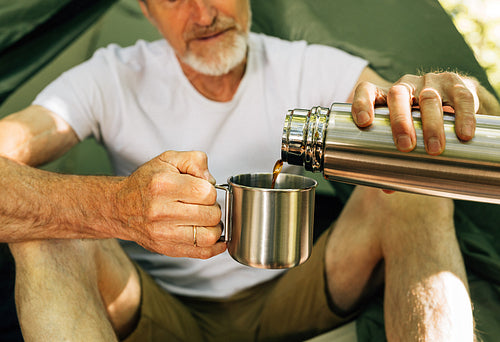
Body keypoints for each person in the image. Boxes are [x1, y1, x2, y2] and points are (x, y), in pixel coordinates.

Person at [1, 0, 499, 341]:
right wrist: (116, 207)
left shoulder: (306, 66)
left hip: (297, 290)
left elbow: (421, 123)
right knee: (46, 226)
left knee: (411, 185)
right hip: (154, 306)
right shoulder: (107, 79)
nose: (204, 13)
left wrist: (460, 98)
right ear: (148, 11)